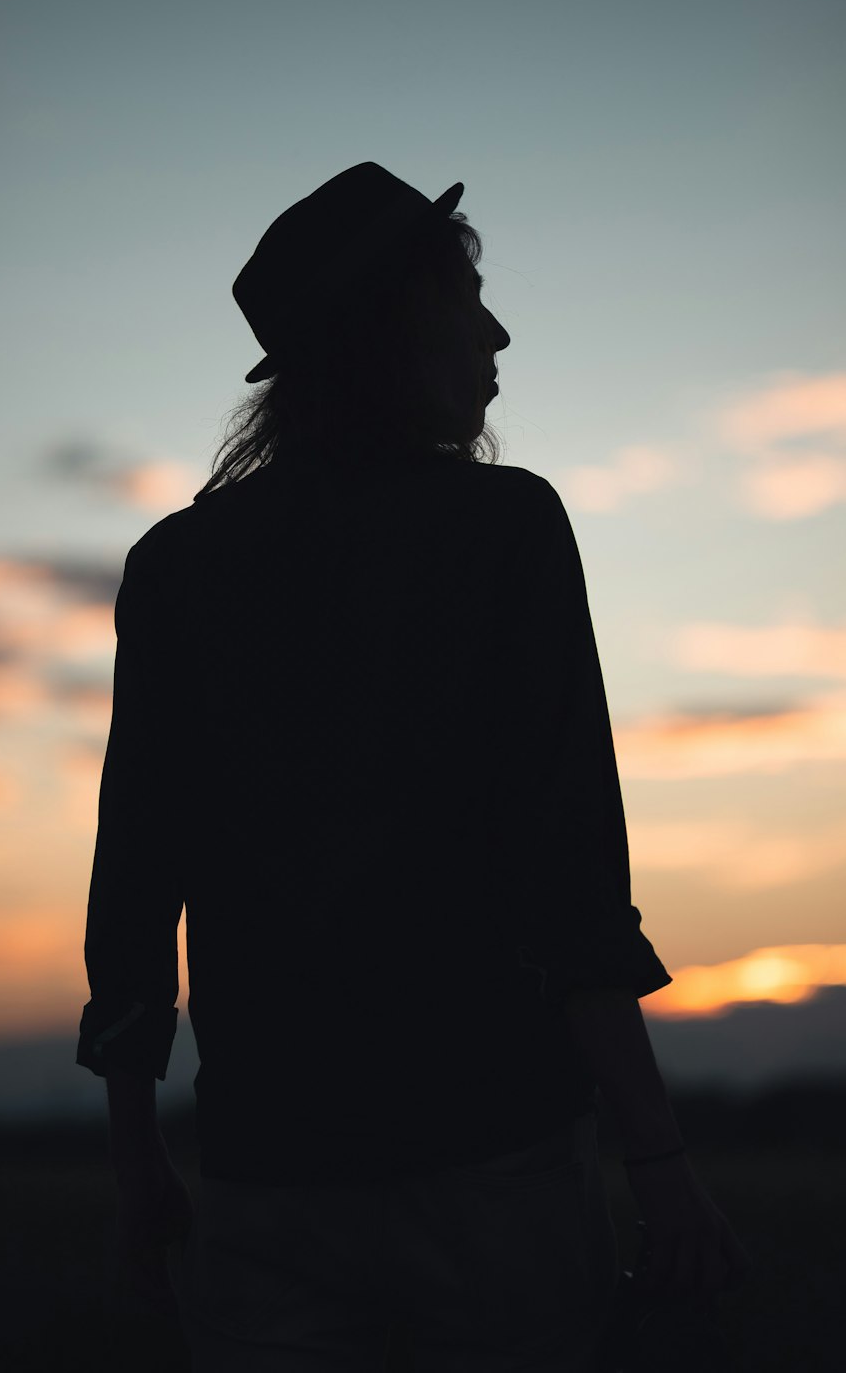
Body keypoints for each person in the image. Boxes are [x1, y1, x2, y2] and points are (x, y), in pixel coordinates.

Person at [76, 163, 751, 1370]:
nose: (495, 331)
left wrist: (141, 1169)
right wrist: (657, 1159)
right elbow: (571, 875)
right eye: (466, 297)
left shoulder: (176, 566)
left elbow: (133, 887)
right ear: (384, 329)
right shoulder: (507, 531)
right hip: (493, 1170)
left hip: (262, 1177)